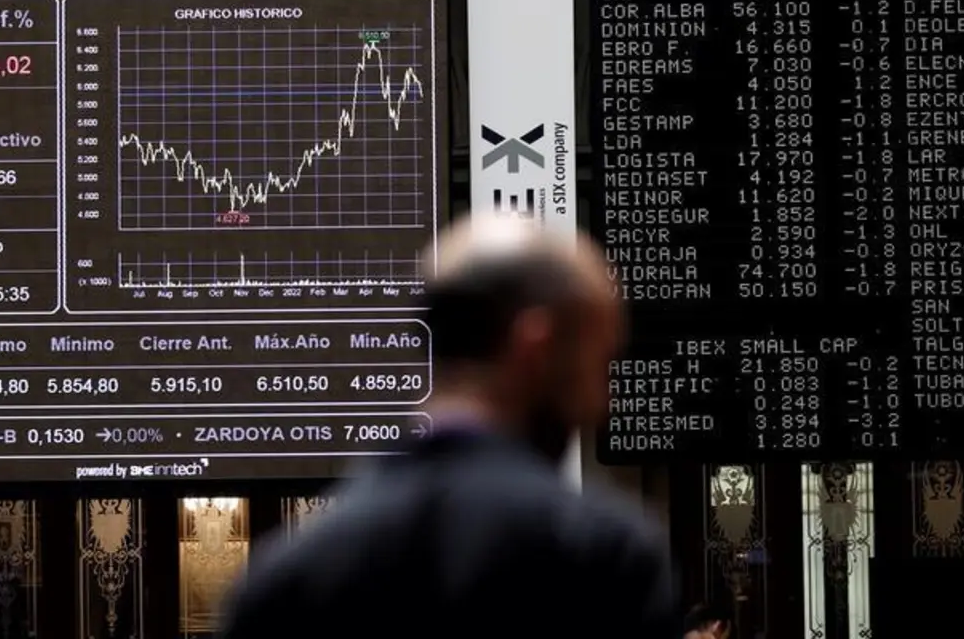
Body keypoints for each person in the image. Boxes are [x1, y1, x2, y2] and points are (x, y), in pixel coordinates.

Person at [218, 216, 680, 639]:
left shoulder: (284, 577)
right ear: (534, 346)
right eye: (600, 364)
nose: (603, 401)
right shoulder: (604, 558)